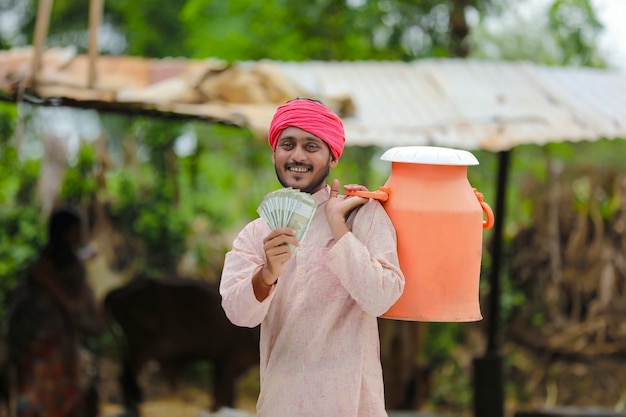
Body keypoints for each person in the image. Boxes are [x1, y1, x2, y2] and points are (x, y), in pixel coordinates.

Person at [219, 98, 405, 416]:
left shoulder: (363, 214)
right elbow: (238, 314)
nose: (298, 156)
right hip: (282, 404)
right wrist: (266, 275)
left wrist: (339, 229)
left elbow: (381, 298)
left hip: (353, 405)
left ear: (332, 156)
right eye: (287, 144)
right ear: (274, 153)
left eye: (311, 145)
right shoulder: (256, 233)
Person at [5, 206, 101, 417]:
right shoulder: (58, 266)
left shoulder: (49, 262)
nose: (81, 235)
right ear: (68, 232)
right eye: (78, 229)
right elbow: (73, 304)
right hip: (48, 342)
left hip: (37, 342)